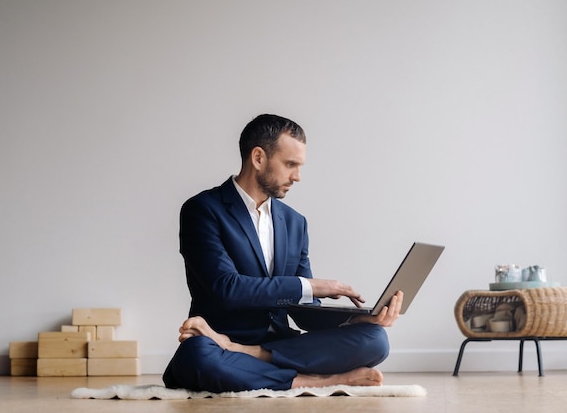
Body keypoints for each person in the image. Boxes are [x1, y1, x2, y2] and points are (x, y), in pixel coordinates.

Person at [163, 114, 403, 393]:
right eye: (290, 165)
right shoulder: (202, 210)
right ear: (258, 158)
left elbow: (304, 314)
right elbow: (225, 288)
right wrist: (310, 286)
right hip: (216, 340)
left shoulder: (294, 222)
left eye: (299, 166)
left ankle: (249, 356)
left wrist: (357, 319)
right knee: (196, 356)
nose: (297, 177)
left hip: (278, 345)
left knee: (374, 339)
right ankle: (315, 380)